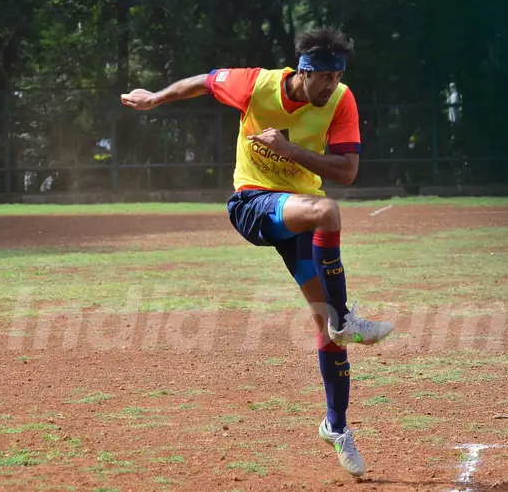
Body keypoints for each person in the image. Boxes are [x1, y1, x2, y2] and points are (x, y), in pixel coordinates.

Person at [120, 27, 394, 477]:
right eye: (323, 77)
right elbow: (205, 81)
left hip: (297, 211)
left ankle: (336, 425)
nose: (331, 85)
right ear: (303, 73)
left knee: (323, 323)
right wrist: (155, 98)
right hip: (253, 202)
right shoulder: (256, 85)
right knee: (328, 213)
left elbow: (346, 171)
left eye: (337, 76)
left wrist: (288, 150)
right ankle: (346, 318)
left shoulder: (342, 100)